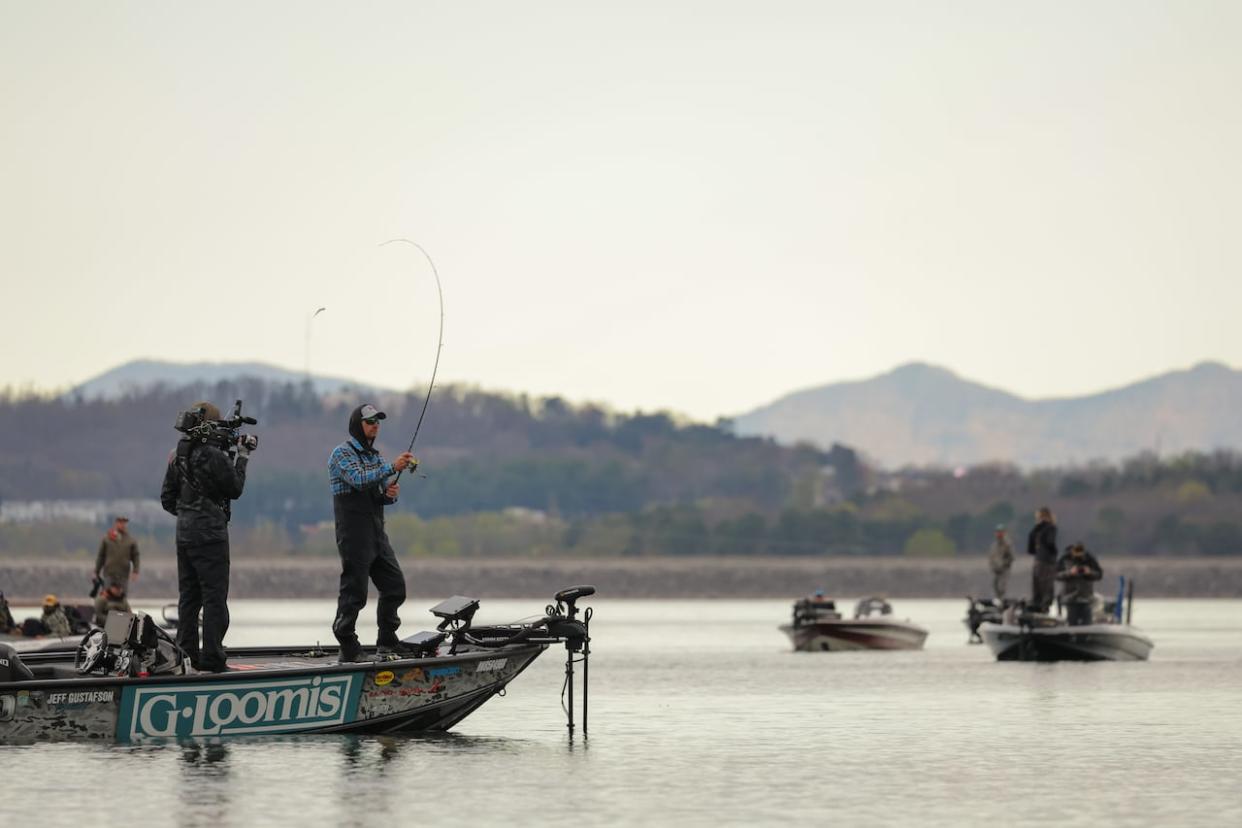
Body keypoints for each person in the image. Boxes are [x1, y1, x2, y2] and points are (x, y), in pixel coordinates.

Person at [160, 400, 251, 672]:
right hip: (210, 536)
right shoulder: (212, 455)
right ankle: (212, 658)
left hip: (184, 535)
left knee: (188, 598)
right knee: (214, 597)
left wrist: (189, 514)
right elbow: (235, 488)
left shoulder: (179, 454)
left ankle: (186, 657)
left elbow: (167, 499)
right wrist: (243, 455)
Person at [328, 403, 417, 662]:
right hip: (353, 533)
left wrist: (388, 495)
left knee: (395, 587)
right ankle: (347, 644)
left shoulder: (375, 456)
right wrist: (392, 468)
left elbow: (376, 491)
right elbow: (358, 479)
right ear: (358, 424)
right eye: (370, 421)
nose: (375, 425)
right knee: (355, 592)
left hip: (377, 532)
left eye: (378, 421)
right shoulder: (341, 454)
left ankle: (387, 641)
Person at [1056, 542, 1103, 626]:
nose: (1078, 554)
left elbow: (1099, 575)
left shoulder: (1089, 558)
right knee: (1072, 624)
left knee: (1087, 624)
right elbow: (1056, 575)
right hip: (1070, 597)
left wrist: (1089, 572)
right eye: (1076, 551)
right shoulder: (1065, 559)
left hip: (1086, 597)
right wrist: (1069, 573)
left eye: (1080, 551)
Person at [1026, 506, 1058, 612]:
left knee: (1037, 587)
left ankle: (1037, 608)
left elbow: (1030, 549)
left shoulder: (1036, 529)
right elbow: (1050, 542)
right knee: (1047, 588)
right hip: (1047, 562)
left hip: (1037, 561)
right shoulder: (1051, 527)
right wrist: (1054, 552)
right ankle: (1045, 610)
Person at [987, 525, 1014, 599]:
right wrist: (993, 566)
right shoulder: (994, 545)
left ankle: (1002, 600)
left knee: (1002, 586)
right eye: (998, 532)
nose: (999, 534)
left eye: (1001, 532)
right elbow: (991, 557)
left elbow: (1011, 557)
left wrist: (1004, 564)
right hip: (995, 570)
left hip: (1004, 570)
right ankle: (998, 600)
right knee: (995, 586)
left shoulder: (1007, 544)